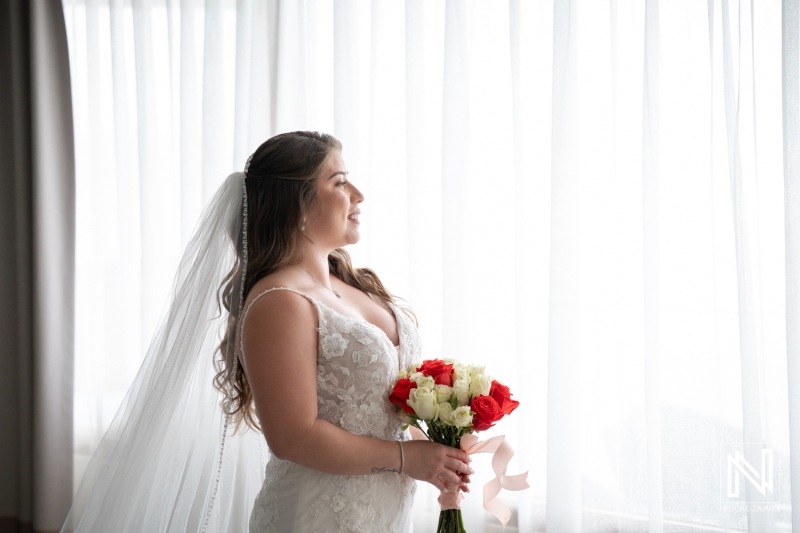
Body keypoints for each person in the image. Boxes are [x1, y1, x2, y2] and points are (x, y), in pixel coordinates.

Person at [62, 131, 470, 532]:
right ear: (298, 204)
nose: (358, 195)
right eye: (340, 182)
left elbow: (379, 407)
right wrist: (406, 458)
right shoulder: (280, 299)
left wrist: (436, 453)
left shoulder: (353, 284)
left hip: (385, 510)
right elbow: (293, 436)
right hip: (317, 518)